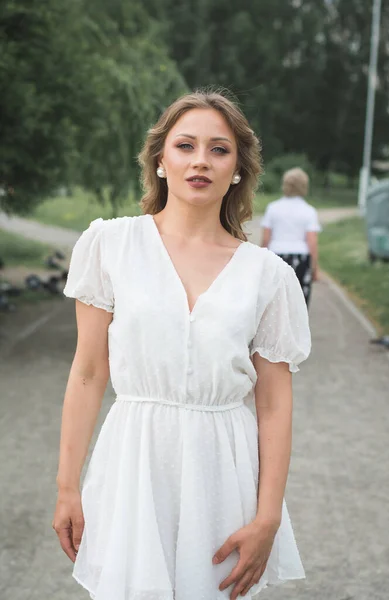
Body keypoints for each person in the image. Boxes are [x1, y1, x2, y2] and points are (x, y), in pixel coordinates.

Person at [53, 90, 311, 600]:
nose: (200, 160)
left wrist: (268, 517)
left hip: (223, 471)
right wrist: (66, 486)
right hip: (134, 463)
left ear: (238, 169)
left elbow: (274, 403)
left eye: (219, 149)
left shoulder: (269, 276)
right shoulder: (112, 246)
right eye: (185, 145)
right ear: (161, 160)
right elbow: (87, 372)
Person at [261, 168, 321, 306]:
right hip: (301, 258)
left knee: (276, 302)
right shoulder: (309, 211)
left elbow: (266, 238)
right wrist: (315, 268)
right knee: (299, 302)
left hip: (276, 256)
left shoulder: (272, 208)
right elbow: (312, 242)